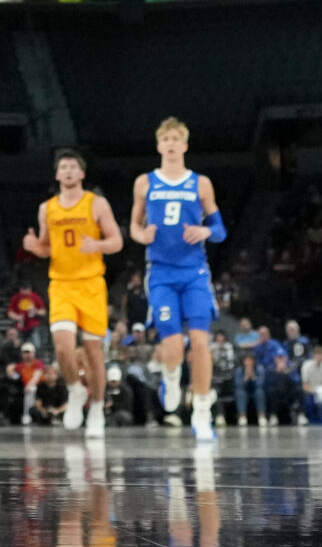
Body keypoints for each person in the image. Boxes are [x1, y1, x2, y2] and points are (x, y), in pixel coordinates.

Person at [129, 117, 225, 443]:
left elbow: (220, 229)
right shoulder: (145, 182)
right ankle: (171, 377)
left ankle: (201, 409)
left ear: (185, 145)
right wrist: (142, 236)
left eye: (176, 138)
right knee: (172, 345)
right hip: (161, 274)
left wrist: (206, 230)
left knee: (200, 342)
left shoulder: (201, 183)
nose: (170, 143)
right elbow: (134, 226)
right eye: (165, 138)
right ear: (159, 145)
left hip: (195, 272)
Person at [22, 147, 123, 438]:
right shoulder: (47, 208)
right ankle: (75, 389)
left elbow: (116, 240)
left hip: (91, 284)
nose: (67, 171)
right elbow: (45, 247)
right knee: (63, 346)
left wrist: (98, 245)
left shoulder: (97, 204)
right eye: (62, 167)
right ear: (57, 174)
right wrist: (32, 246)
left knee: (93, 354)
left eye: (72, 166)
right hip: (62, 284)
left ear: (81, 173)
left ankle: (97, 409)